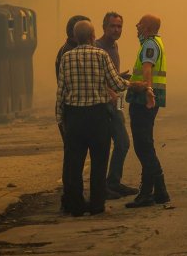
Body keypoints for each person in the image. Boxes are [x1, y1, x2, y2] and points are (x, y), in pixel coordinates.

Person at [56, 20, 135, 216]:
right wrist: (133, 84)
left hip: (74, 116)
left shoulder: (66, 58)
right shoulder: (101, 55)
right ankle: (97, 205)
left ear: (76, 37)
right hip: (98, 115)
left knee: (75, 163)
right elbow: (116, 84)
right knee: (99, 162)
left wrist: (60, 118)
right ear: (92, 37)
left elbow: (61, 91)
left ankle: (75, 206)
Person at [124, 14, 170, 208]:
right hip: (148, 98)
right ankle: (159, 192)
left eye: (140, 23)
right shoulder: (155, 42)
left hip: (144, 99)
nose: (137, 26)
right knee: (146, 144)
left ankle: (149, 193)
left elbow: (147, 69)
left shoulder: (150, 44)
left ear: (149, 28)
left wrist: (148, 91)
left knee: (143, 146)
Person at [94, 11, 139, 200]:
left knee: (121, 142)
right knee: (120, 142)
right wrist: (111, 92)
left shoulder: (114, 46)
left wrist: (121, 78)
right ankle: (107, 184)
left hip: (117, 101)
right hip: (104, 103)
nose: (116, 29)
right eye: (112, 26)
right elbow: (96, 78)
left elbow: (111, 77)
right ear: (104, 27)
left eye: (119, 26)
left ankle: (113, 182)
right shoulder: (97, 48)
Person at [54, 14, 90, 212]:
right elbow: (66, 87)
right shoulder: (69, 53)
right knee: (73, 157)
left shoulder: (70, 51)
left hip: (72, 111)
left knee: (72, 156)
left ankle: (71, 198)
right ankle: (72, 199)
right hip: (74, 112)